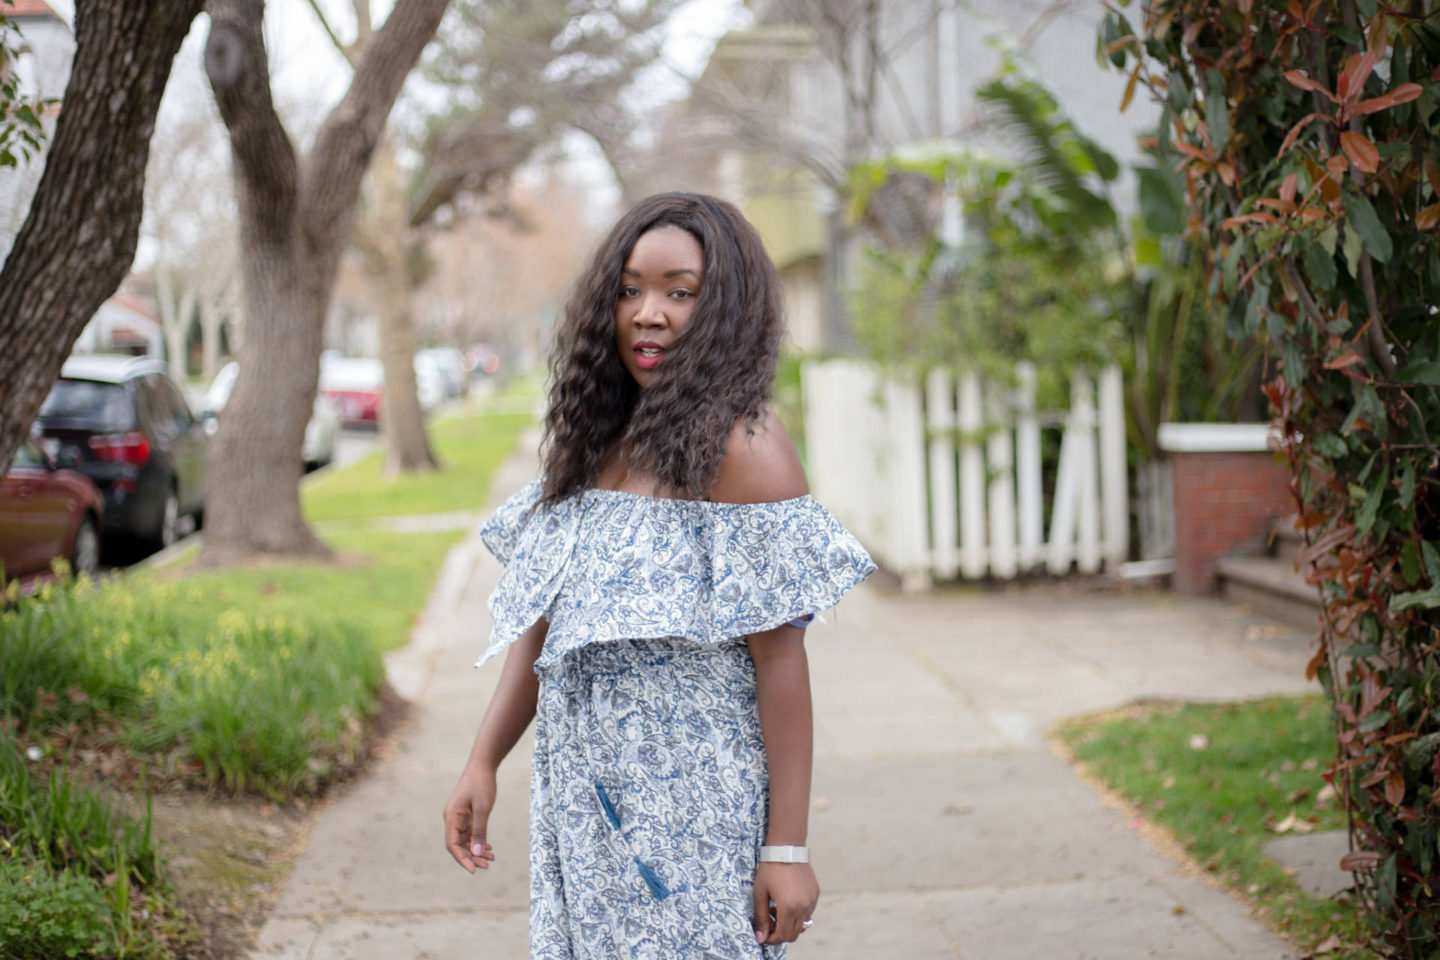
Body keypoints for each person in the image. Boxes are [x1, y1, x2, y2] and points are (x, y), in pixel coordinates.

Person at [443, 192, 875, 959]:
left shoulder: (744, 450)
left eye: (681, 292)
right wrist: (484, 759)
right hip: (580, 813)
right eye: (631, 289)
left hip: (694, 823)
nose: (649, 313)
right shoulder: (595, 444)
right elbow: (545, 630)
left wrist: (787, 849)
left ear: (725, 311)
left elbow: (781, 660)